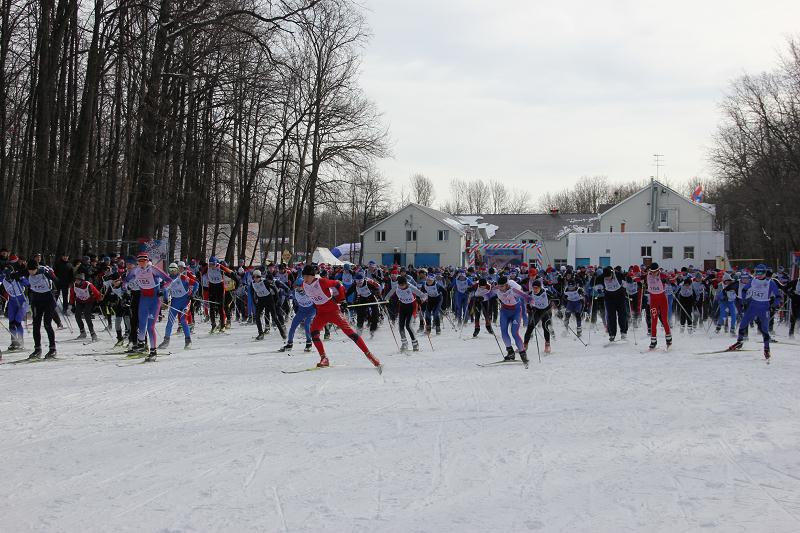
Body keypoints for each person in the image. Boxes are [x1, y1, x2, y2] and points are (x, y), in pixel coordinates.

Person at [302, 264, 382, 371]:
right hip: (321, 313)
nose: (305, 279)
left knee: (350, 333)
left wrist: (342, 300)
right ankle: (324, 358)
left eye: (307, 276)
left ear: (313, 276)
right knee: (314, 333)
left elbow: (338, 284)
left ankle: (370, 355)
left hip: (333, 311)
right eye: (304, 276)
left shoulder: (322, 281)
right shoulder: (304, 285)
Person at [729, 264, 782, 360]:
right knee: (743, 324)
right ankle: (739, 342)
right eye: (757, 272)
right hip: (753, 305)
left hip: (764, 306)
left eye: (761, 272)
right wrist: (744, 300)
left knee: (764, 329)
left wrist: (774, 305)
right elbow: (745, 289)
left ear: (765, 273)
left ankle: (766, 349)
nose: (759, 274)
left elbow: (778, 296)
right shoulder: (753, 280)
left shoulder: (770, 282)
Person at [126, 252, 165, 360]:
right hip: (143, 300)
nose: (142, 263)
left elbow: (169, 280)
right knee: (141, 325)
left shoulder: (153, 269)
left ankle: (153, 351)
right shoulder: (135, 270)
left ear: (147, 261)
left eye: (144, 261)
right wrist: (125, 288)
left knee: (150, 327)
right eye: (140, 261)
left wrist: (161, 290)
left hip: (154, 301)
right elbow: (126, 280)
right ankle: (142, 345)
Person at [488, 276, 529, 363]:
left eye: (502, 286)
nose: (500, 288)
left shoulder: (514, 290)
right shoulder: (496, 288)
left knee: (514, 333)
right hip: (504, 311)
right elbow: (488, 294)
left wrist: (531, 303)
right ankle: (510, 353)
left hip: (516, 311)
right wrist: (479, 298)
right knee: (503, 332)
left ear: (507, 285)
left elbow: (526, 296)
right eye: (499, 286)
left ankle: (522, 353)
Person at [385, 274, 428, 352]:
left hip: (412, 307)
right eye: (400, 285)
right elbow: (388, 295)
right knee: (401, 326)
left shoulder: (411, 287)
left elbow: (423, 295)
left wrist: (422, 300)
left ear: (406, 283)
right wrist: (385, 300)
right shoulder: (396, 287)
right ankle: (404, 343)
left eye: (403, 285)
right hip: (402, 307)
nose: (401, 286)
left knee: (408, 325)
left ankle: (415, 343)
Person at [26, 260, 59, 359]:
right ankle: (37, 349)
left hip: (48, 298)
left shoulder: (44, 270)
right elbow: (18, 273)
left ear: (37, 268)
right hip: (36, 300)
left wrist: (51, 276)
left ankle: (52, 349)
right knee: (36, 325)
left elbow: (55, 279)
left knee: (47, 324)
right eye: (29, 270)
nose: (31, 272)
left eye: (33, 270)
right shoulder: (27, 271)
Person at [159, 262, 195, 349]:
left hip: (185, 301)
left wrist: (192, 294)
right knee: (170, 321)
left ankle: (188, 341)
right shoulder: (168, 279)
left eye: (174, 270)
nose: (172, 272)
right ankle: (166, 341)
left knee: (183, 320)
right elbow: (165, 290)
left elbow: (196, 284)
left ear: (177, 270)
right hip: (175, 302)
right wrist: (165, 299)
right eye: (170, 270)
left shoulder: (182, 277)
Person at [279, 277, 317, 353]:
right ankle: (289, 344)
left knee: (307, 324)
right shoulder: (295, 292)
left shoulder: (310, 290)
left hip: (311, 310)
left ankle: (309, 343)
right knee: (293, 326)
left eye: (300, 285)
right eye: (297, 285)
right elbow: (287, 294)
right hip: (302, 310)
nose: (298, 287)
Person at [645, 263, 672, 350]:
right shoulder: (648, 275)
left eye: (655, 272)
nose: (653, 273)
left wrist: (668, 281)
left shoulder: (663, 275)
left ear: (658, 270)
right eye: (651, 272)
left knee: (664, 319)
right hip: (653, 301)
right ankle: (653, 341)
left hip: (662, 300)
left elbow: (672, 280)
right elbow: (638, 277)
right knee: (654, 320)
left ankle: (668, 339)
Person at [70, 272, 102, 341]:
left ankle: (93, 333)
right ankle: (82, 332)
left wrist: (99, 302)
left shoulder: (88, 285)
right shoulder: (74, 285)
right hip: (79, 301)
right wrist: (72, 305)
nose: (76, 281)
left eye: (78, 280)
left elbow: (97, 293)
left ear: (82, 280)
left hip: (89, 301)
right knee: (77, 316)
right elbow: (72, 295)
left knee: (87, 316)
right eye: (76, 280)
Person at [600, 266, 628, 343]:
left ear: (612, 273)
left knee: (622, 315)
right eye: (606, 278)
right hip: (609, 299)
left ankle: (623, 332)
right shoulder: (602, 277)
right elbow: (594, 282)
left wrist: (626, 282)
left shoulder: (618, 274)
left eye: (609, 277)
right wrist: (598, 287)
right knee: (611, 316)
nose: (608, 279)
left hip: (620, 297)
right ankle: (612, 334)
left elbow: (626, 279)